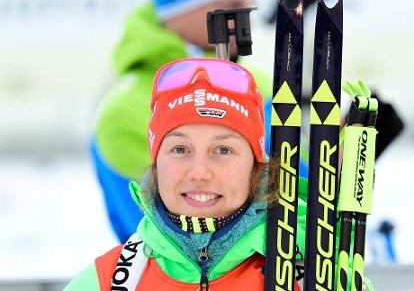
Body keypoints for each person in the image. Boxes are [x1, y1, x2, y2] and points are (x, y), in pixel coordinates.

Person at [66, 58, 306, 290]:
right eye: (180, 149)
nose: (199, 172)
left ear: (256, 165)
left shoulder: (314, 270)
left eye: (223, 150)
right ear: (156, 164)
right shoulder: (108, 281)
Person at [90, 0, 274, 243]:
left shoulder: (256, 86)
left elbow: (307, 190)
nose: (246, 23)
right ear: (183, 5)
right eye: (232, 7)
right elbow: (168, 237)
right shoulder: (123, 111)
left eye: (248, 7)